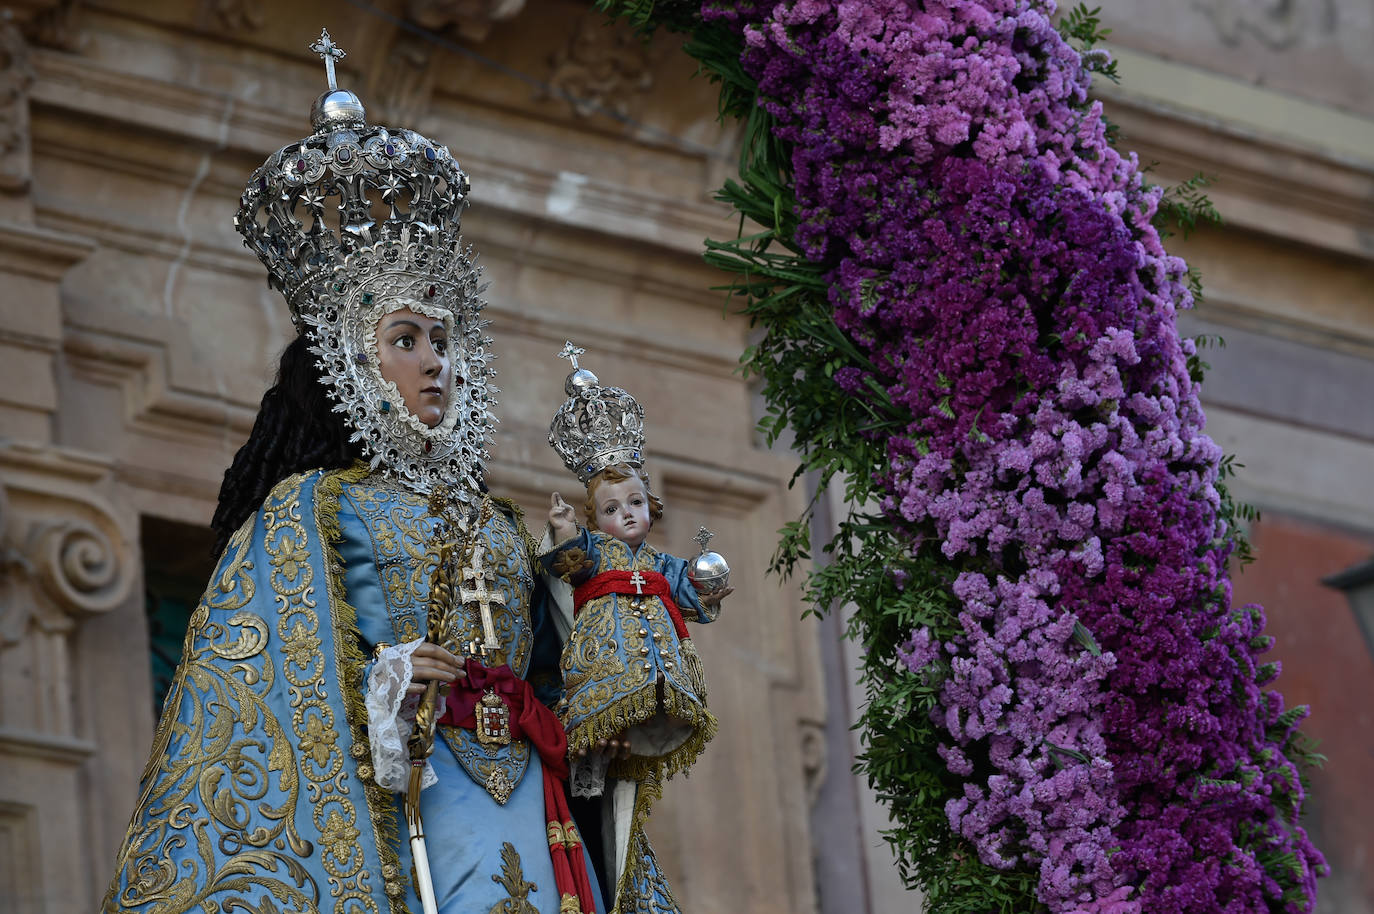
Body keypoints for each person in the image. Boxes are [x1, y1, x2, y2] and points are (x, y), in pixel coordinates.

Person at [102, 30, 689, 914]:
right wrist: (384, 688)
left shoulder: (499, 522)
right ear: (352, 360)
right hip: (405, 805)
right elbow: (272, 696)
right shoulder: (311, 509)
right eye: (405, 341)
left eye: (444, 342)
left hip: (531, 797)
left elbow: (555, 682)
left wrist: (614, 663)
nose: (434, 365)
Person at [541, 356, 729, 794]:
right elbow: (566, 563)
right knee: (607, 715)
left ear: (651, 505)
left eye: (635, 503)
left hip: (660, 671)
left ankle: (656, 717)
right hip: (606, 657)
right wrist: (565, 530)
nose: (626, 515)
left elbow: (686, 587)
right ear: (594, 516)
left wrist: (709, 588)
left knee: (660, 700)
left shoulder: (659, 562)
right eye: (611, 509)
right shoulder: (593, 550)